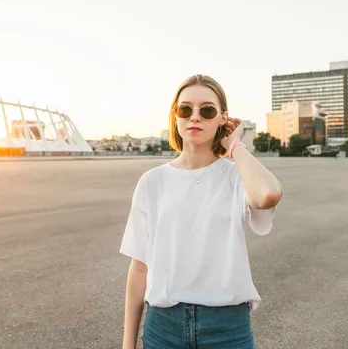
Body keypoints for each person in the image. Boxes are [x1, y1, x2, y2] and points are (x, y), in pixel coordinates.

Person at [120, 74, 283, 349]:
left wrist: (235, 146)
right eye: (185, 109)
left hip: (227, 329)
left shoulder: (236, 176)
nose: (194, 117)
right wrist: (127, 344)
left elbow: (267, 195)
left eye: (206, 110)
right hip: (163, 328)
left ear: (223, 118)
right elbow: (139, 268)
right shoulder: (152, 182)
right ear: (175, 117)